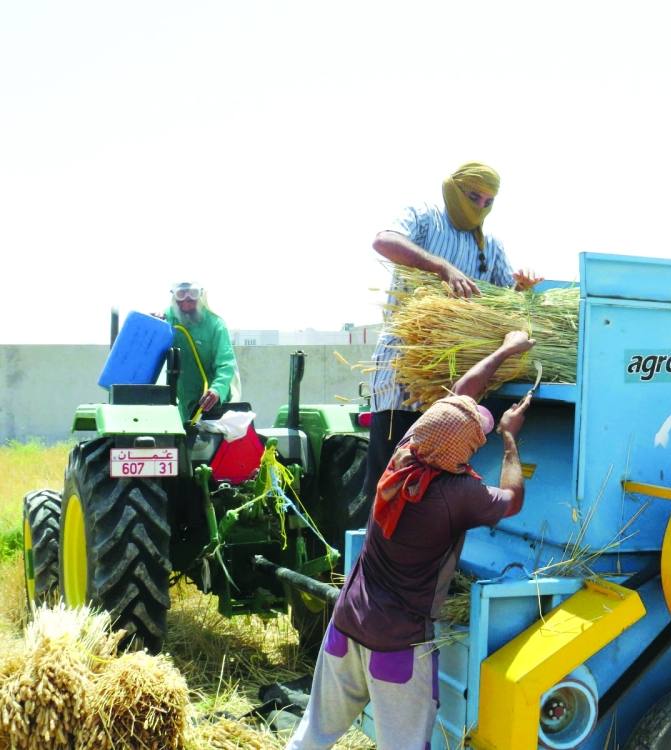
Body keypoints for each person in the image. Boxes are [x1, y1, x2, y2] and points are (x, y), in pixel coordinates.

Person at [286, 331, 535, 750]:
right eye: (476, 439)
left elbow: (460, 393)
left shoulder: (408, 451)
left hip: (346, 623)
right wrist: (509, 437)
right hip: (398, 645)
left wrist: (506, 350)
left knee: (312, 735)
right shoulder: (457, 494)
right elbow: (512, 499)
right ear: (459, 450)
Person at [364, 161, 542, 502]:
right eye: (473, 196)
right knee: (390, 483)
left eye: (488, 202)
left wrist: (521, 289)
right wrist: (441, 266)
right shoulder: (424, 217)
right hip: (405, 378)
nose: (479, 207)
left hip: (455, 386)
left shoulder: (489, 246)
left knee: (435, 488)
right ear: (454, 188)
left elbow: (502, 306)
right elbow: (384, 240)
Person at [164, 281, 240, 421]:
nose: (187, 299)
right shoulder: (167, 320)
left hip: (213, 405)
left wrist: (217, 390)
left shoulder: (216, 325)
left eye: (192, 293)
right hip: (185, 404)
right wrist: (153, 322)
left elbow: (226, 364)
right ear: (174, 297)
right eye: (181, 294)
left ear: (201, 295)